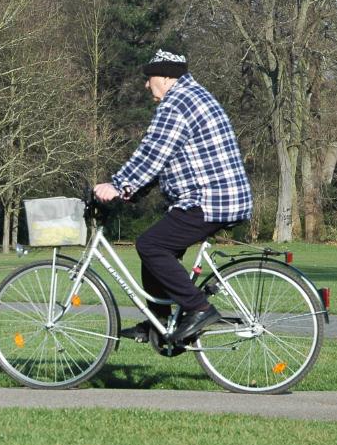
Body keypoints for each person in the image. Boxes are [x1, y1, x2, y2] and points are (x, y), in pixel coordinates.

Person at [93, 49, 252, 345]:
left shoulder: (177, 104)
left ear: (166, 77)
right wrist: (131, 194)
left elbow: (152, 153)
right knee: (155, 249)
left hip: (209, 201)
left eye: (149, 77)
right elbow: (163, 163)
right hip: (213, 198)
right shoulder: (191, 96)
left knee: (150, 245)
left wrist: (118, 185)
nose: (145, 85)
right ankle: (160, 323)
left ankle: (200, 309)